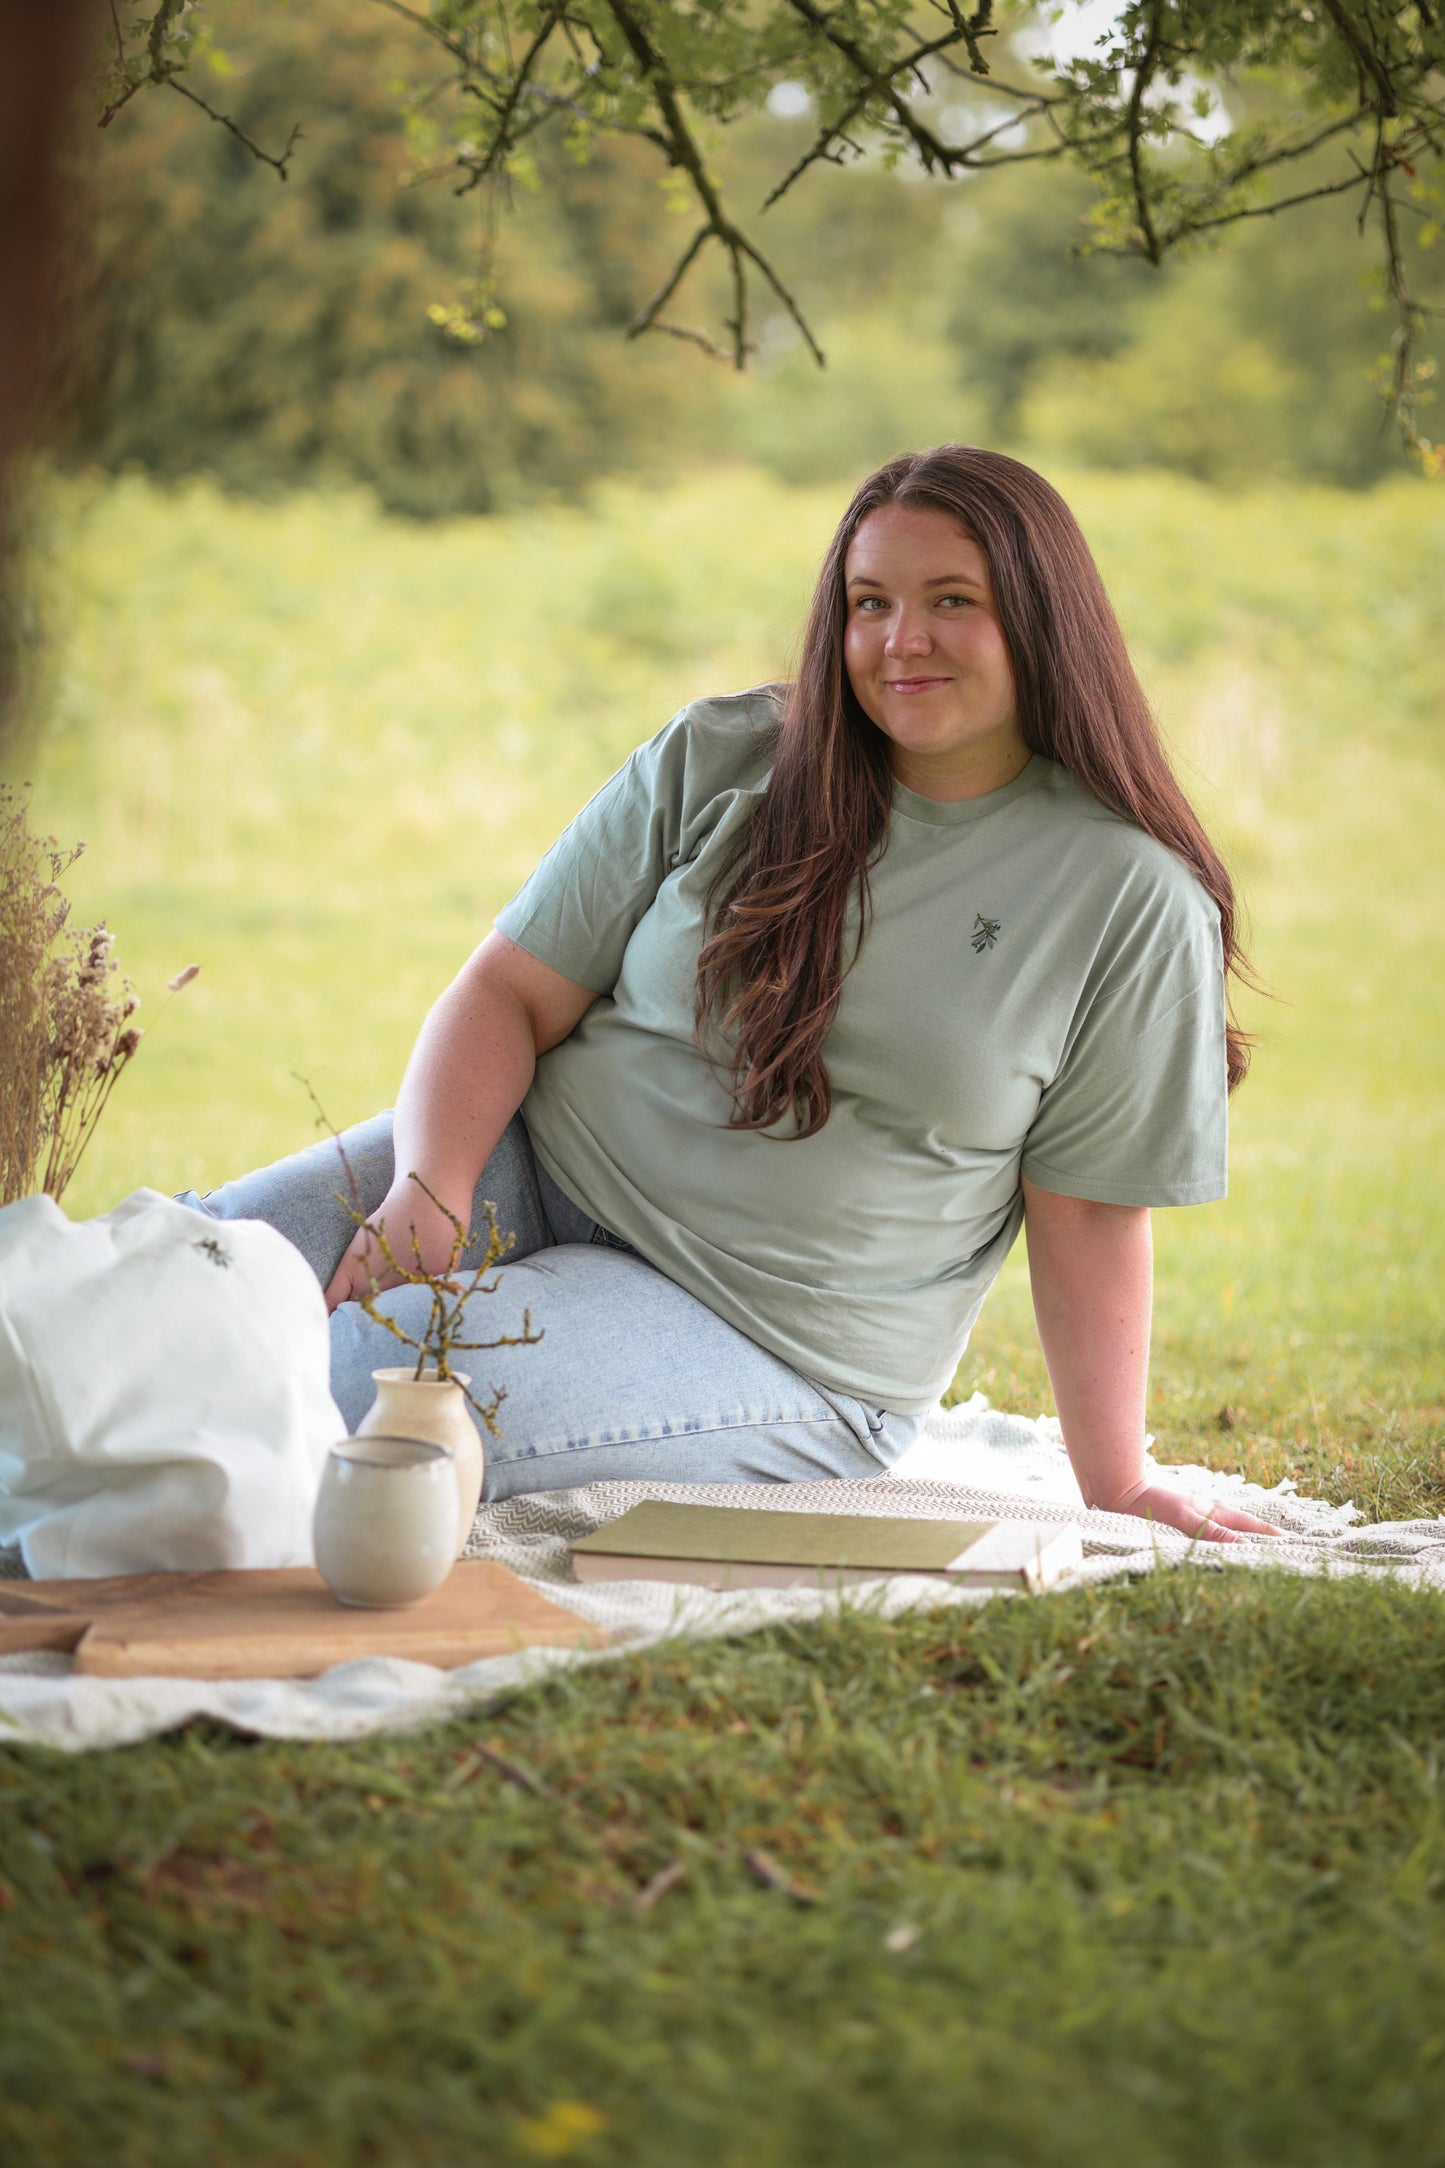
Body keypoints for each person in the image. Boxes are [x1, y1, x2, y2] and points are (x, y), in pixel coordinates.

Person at [184, 445, 1276, 1542]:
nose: (900, 639)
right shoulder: (727, 754)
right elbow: (509, 989)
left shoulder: (1128, 894)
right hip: (538, 1162)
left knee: (348, 1382)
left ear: (1041, 619)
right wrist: (432, 1184)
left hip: (771, 1335)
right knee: (195, 1272)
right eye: (869, 602)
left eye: (953, 599)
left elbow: (1086, 1209)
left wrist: (1116, 1480)